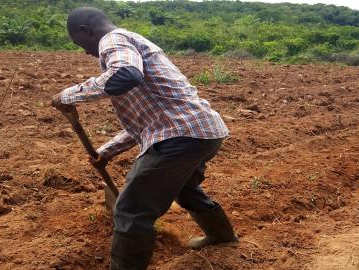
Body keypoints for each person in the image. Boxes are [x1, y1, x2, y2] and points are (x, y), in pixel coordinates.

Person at [51, 6, 237, 270]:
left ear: (85, 31)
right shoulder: (133, 41)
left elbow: (125, 75)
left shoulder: (112, 40)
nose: (83, 50)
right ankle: (221, 236)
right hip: (202, 131)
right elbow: (151, 119)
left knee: (131, 209)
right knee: (185, 188)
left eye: (78, 42)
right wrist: (109, 150)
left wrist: (68, 95)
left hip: (181, 135)